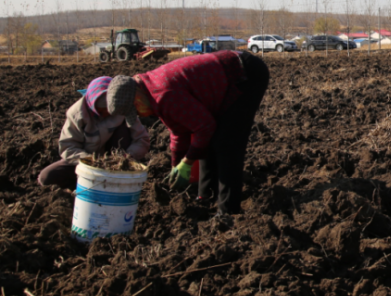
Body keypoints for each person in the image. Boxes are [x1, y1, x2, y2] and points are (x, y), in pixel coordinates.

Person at [104, 49, 269, 216]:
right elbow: (178, 131)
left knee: (226, 143)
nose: (140, 115)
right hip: (226, 78)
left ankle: (228, 211)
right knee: (209, 143)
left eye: (136, 111)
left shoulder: (163, 94)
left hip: (244, 73)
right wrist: (176, 166)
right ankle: (206, 197)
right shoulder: (151, 90)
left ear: (137, 98)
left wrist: (188, 161)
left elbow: (205, 126)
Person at [38, 76, 150, 190]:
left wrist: (127, 158)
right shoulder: (77, 114)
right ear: (93, 105)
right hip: (88, 163)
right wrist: (92, 161)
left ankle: (118, 182)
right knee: (46, 177)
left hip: (117, 164)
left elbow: (142, 139)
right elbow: (68, 147)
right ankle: (85, 188)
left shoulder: (122, 106)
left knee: (123, 129)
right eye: (102, 110)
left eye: (109, 109)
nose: (107, 113)